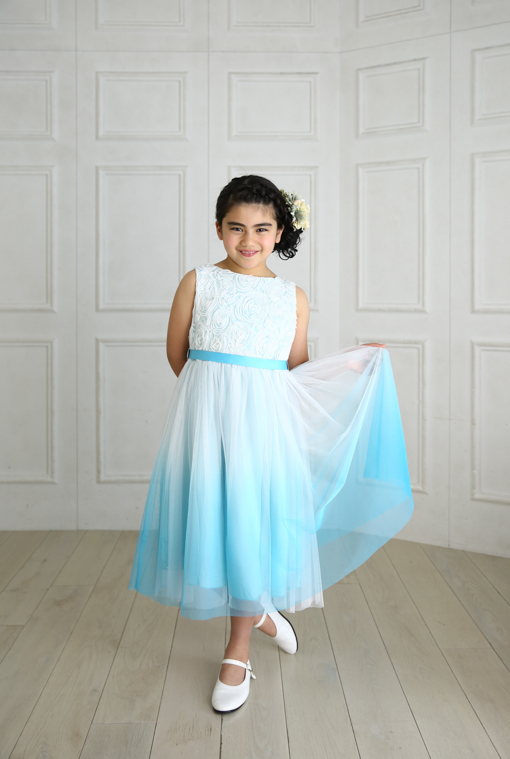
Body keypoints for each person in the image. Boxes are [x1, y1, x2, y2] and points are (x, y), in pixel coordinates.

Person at [128, 174, 413, 714]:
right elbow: (177, 354)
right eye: (236, 228)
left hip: (265, 433)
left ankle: (237, 651)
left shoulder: (291, 297)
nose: (248, 240)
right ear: (218, 228)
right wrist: (212, 407)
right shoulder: (198, 282)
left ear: (280, 231)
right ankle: (258, 611)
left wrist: (353, 363)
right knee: (216, 524)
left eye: (261, 229)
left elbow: (297, 370)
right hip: (206, 426)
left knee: (251, 529)